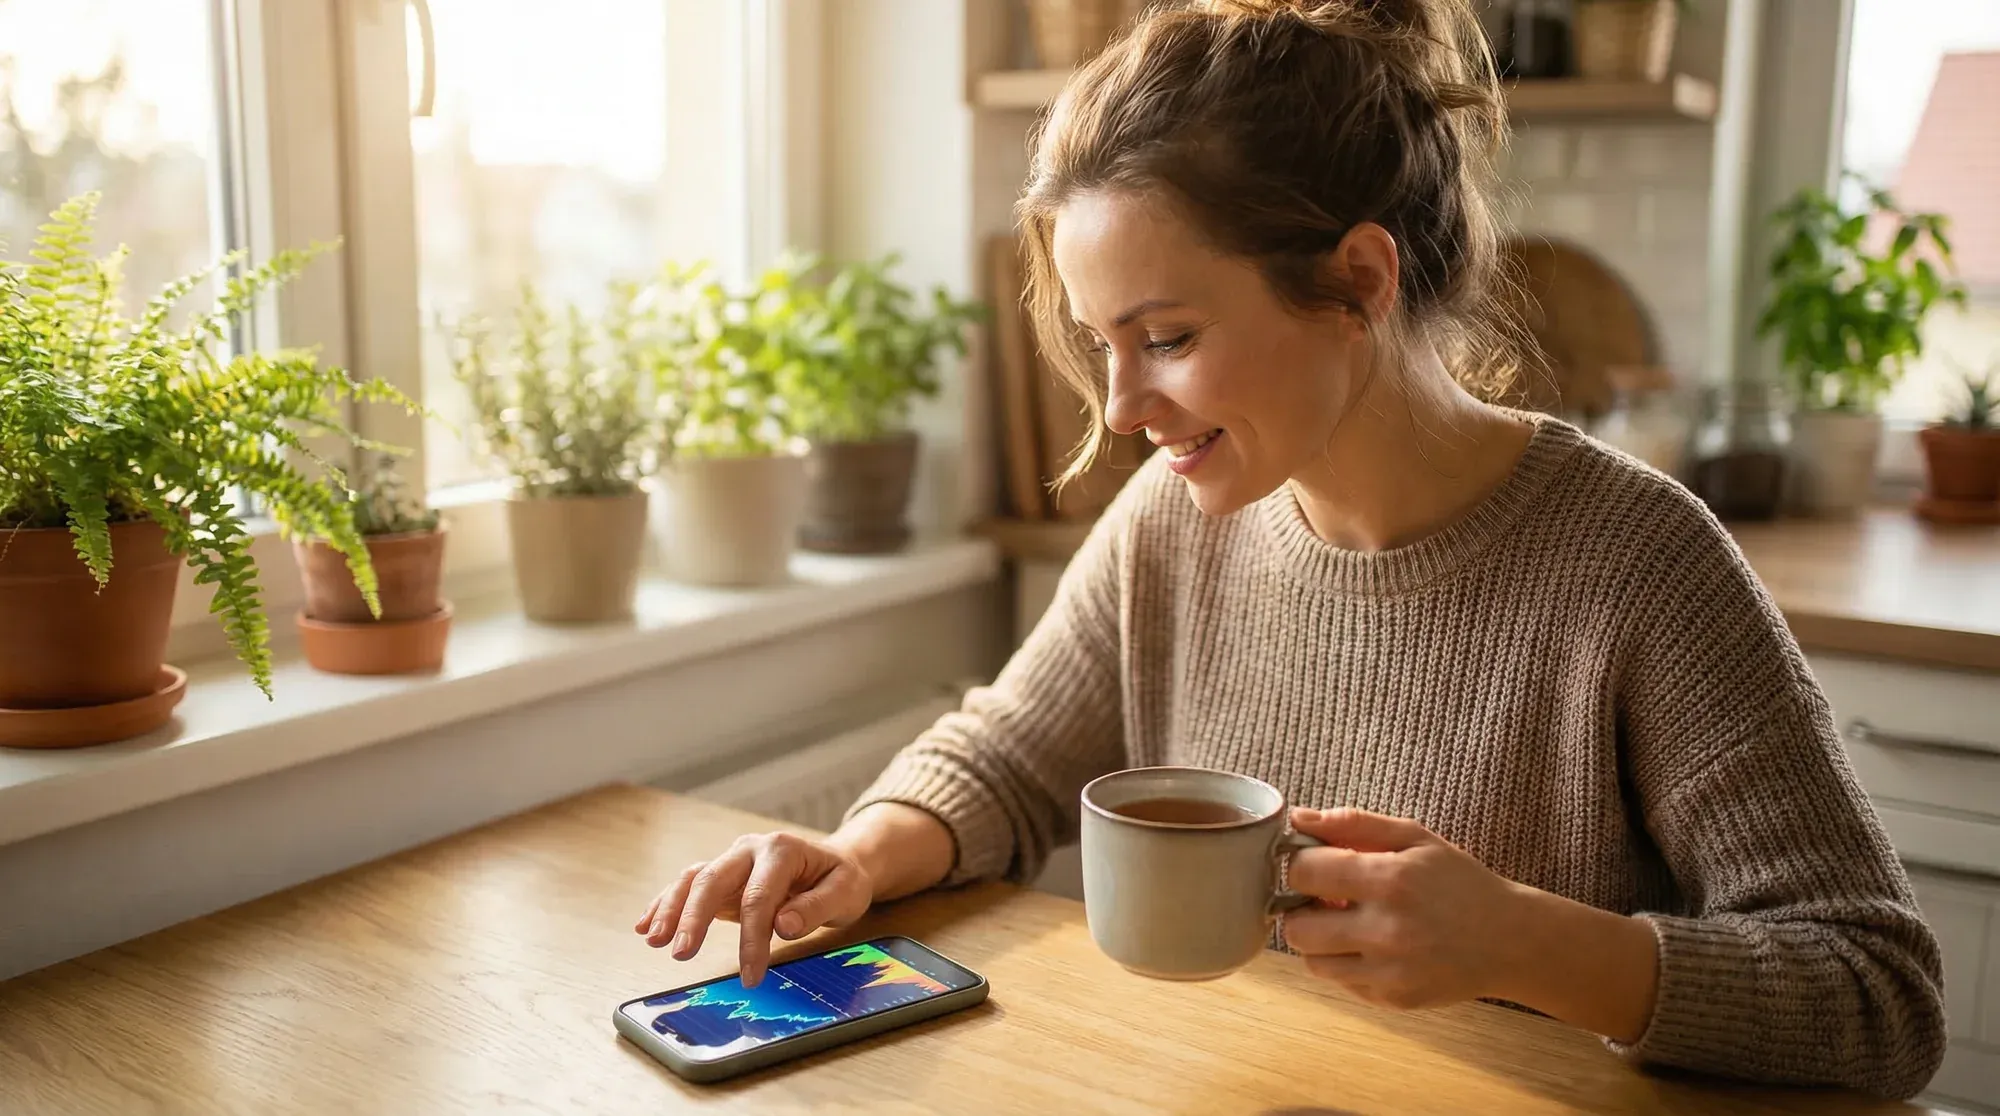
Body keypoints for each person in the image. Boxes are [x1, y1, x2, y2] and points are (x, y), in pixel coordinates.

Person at [634, 0, 1944, 1097]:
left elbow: (1880, 996)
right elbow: (1009, 752)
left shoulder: (1640, 564)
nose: (1123, 408)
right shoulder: (1175, 526)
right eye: (1102, 346)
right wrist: (859, 853)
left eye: (1168, 337)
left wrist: (1525, 945)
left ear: (1361, 283)